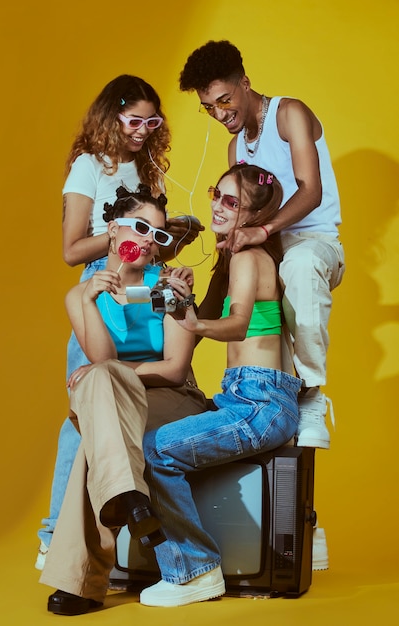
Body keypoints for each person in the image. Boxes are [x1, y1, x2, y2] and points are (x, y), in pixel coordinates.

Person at [36, 74, 203, 568]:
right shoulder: (90, 167)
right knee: (83, 412)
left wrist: (164, 235)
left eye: (153, 121)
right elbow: (70, 248)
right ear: (112, 117)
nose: (144, 130)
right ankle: (54, 534)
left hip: (146, 284)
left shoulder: (147, 169)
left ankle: (123, 511)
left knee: (123, 405)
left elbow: (173, 364)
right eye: (135, 120)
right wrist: (121, 237)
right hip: (102, 283)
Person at [139, 162, 302, 608]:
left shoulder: (250, 258)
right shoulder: (233, 261)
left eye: (231, 201)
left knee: (158, 449)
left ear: (252, 213)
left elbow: (238, 324)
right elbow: (201, 320)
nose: (217, 205)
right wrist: (183, 296)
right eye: (216, 194)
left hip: (260, 400)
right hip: (241, 396)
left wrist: (197, 321)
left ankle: (195, 569)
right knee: (153, 437)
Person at [40, 184, 208, 616]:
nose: (149, 240)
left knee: (96, 406)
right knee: (98, 392)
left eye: (158, 234)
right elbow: (102, 357)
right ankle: (131, 499)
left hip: (171, 396)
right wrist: (93, 299)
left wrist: (111, 375)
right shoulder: (79, 296)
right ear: (112, 230)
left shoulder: (169, 286)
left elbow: (173, 368)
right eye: (139, 227)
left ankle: (82, 581)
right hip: (117, 401)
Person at [179, 40, 345, 451]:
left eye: (224, 100)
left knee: (300, 267)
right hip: (267, 250)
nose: (220, 114)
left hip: (311, 243)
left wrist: (263, 231)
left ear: (245, 83)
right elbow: (238, 215)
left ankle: (311, 396)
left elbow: (311, 190)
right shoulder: (237, 147)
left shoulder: (290, 113)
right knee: (237, 286)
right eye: (209, 107)